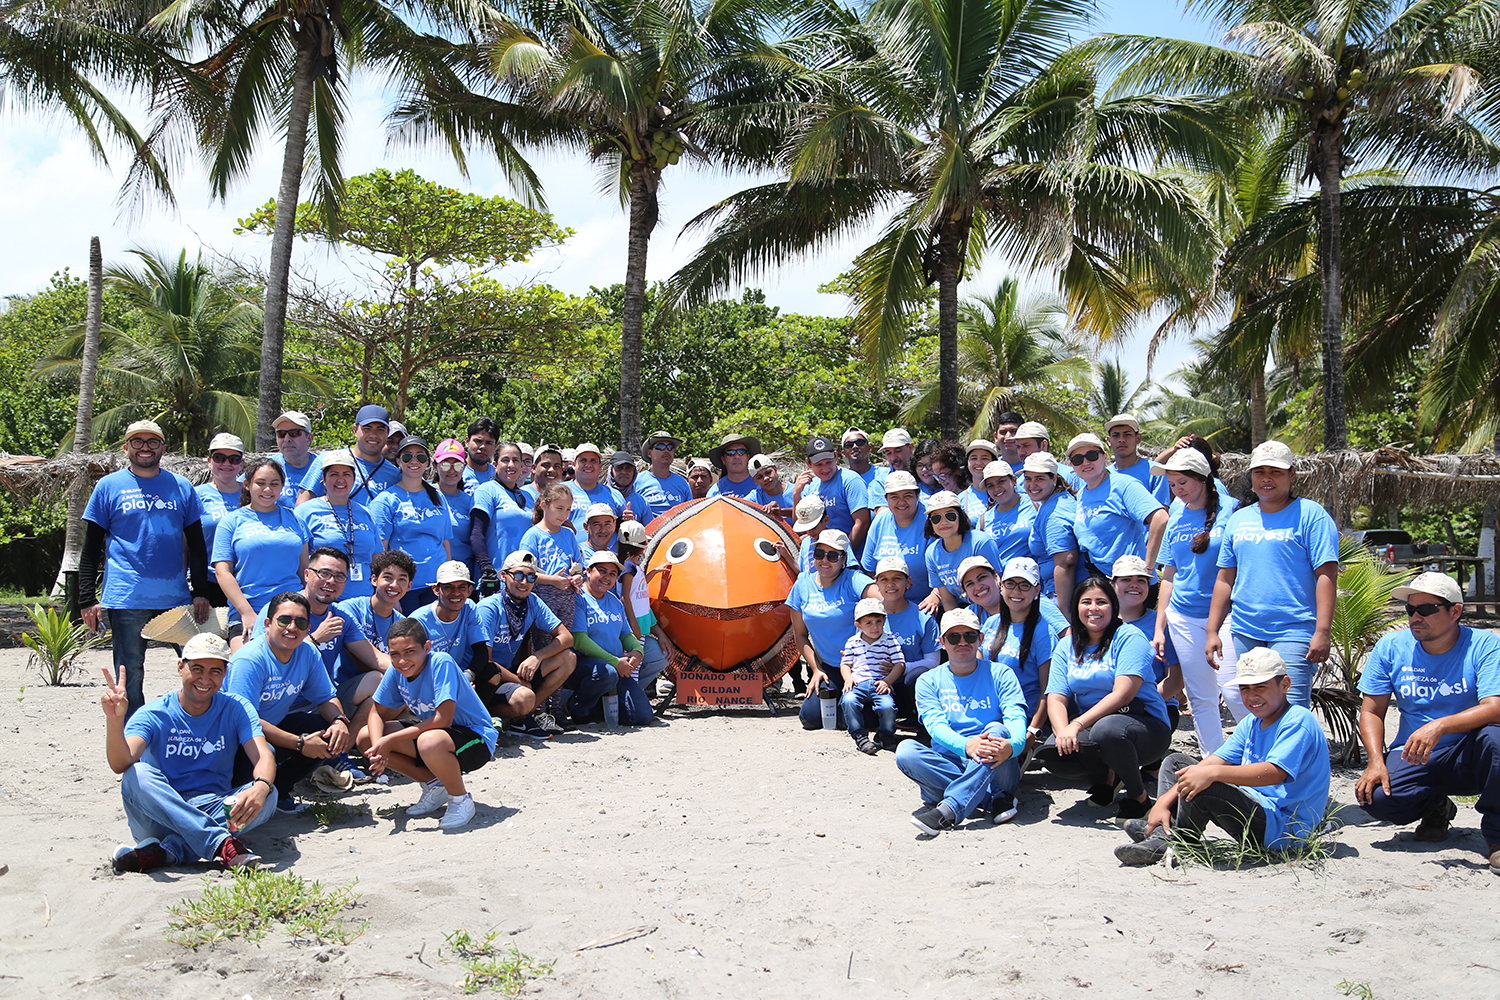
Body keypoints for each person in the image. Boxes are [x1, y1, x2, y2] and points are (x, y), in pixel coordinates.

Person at [1116, 648, 1331, 866]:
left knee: (1208, 781)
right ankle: (1163, 833)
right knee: (1176, 763)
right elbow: (1214, 761)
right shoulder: (1252, 722)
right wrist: (1163, 801)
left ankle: (1172, 841)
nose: (1252, 696)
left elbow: (1275, 773)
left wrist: (1213, 774)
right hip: (1256, 807)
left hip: (1282, 827)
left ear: (1285, 684)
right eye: (1245, 689)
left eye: (1261, 687)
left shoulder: (1297, 721)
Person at [1355, 572, 1500, 871]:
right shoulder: (1391, 647)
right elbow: (1371, 711)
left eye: (1427, 609)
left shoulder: (1484, 645)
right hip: (1415, 753)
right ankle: (1437, 806)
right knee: (1376, 798)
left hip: (1469, 753)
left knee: (1496, 739)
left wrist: (1441, 725)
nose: (1415, 617)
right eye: (1411, 610)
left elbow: (1495, 708)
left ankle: (1497, 839)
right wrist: (1375, 762)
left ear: (1455, 612)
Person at [103, 633, 274, 873]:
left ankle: (167, 853)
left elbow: (263, 755)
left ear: (225, 674)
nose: (205, 679)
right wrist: (115, 720)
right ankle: (221, 844)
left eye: (215, 671)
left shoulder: (236, 708)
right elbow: (121, 763)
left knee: (268, 792)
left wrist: (261, 787)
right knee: (136, 773)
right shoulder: (153, 713)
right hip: (159, 813)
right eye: (197, 669)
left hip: (211, 805)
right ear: (180, 667)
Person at [79, 419, 211, 718]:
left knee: (198, 667)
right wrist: (86, 598)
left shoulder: (181, 486)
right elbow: (90, 549)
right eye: (137, 442)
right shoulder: (108, 486)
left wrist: (200, 592)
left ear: (163, 447)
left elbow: (197, 546)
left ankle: (197, 727)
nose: (145, 448)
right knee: (130, 676)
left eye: (152, 442)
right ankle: (133, 743)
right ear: (126, 447)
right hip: (127, 598)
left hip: (175, 598)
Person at [1206, 440, 1339, 709]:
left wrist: (1323, 631)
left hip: (1295, 630)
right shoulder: (1238, 519)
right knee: (1256, 707)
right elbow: (1224, 580)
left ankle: (1297, 753)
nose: (1267, 478)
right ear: (1251, 477)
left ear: (1292, 474)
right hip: (1246, 630)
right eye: (1260, 472)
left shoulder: (1311, 515)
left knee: (1291, 708)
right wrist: (1212, 630)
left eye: (1275, 471)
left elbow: (1327, 576)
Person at [1035, 576, 1173, 819]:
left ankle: (1138, 798)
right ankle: (1110, 775)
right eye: (1086, 602)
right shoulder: (1066, 645)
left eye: (1102, 602)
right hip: (1096, 725)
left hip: (1145, 727)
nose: (1093, 609)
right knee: (1053, 755)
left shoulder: (1130, 636)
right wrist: (1062, 731)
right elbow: (1056, 696)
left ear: (1114, 606)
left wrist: (1076, 724)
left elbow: (1123, 694)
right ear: (1076, 607)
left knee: (1107, 730)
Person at [898, 608, 1029, 835]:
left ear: (980, 639)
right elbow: (935, 726)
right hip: (952, 760)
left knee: (997, 729)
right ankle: (990, 798)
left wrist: (1013, 746)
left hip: (997, 763)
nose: (962, 642)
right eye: (953, 637)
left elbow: (1016, 717)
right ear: (942, 642)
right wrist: (967, 746)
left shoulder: (1002, 674)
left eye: (969, 636)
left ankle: (950, 809)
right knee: (905, 751)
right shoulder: (928, 681)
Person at [359, 618, 498, 830]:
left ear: (427, 647)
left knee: (428, 741)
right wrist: (379, 748)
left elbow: (444, 719)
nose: (402, 660)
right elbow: (377, 711)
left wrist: (389, 740)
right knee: (366, 737)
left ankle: (460, 799)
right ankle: (435, 785)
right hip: (438, 734)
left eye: (409, 652)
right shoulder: (396, 670)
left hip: (476, 739)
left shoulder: (441, 662)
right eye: (394, 654)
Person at [226, 592, 351, 814]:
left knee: (326, 732)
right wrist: (300, 744)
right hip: (235, 742)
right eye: (284, 620)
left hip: (271, 728)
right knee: (268, 750)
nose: (292, 627)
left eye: (300, 622)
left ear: (308, 628)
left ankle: (281, 791)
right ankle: (245, 791)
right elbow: (245, 722)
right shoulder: (250, 660)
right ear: (267, 623)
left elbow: (325, 697)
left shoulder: (307, 651)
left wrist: (339, 721)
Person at [1153, 447, 1243, 754]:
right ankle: (1213, 763)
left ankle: (1255, 758)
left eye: (1183, 483)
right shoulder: (1176, 515)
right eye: (1173, 485)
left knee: (1234, 691)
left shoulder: (1232, 510)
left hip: (1227, 614)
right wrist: (1159, 627)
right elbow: (1169, 574)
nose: (1178, 491)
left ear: (1203, 479)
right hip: (1183, 616)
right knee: (1201, 697)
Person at [248, 548, 387, 714]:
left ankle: (350, 740)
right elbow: (262, 658)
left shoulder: (341, 617)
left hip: (323, 700)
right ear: (306, 575)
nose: (331, 581)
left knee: (378, 681)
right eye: (324, 573)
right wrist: (315, 639)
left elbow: (375, 658)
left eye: (339, 576)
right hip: (277, 703)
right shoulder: (280, 610)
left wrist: (417, 668)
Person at [964, 556, 1068, 745]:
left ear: (1037, 590)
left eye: (1024, 585)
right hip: (984, 712)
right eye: (1011, 583)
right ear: (1001, 586)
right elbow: (975, 673)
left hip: (1018, 720)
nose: (1016, 591)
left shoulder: (1044, 632)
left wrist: (1032, 732)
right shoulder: (990, 624)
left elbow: (1048, 690)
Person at [475, 550, 577, 738]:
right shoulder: (489, 607)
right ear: (504, 576)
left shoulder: (532, 601)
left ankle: (521, 718)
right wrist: (519, 681)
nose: (525, 582)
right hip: (486, 678)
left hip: (510, 672)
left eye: (531, 577)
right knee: (524, 695)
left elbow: (566, 637)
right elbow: (485, 662)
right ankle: (487, 717)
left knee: (568, 658)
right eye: (519, 575)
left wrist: (537, 657)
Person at [213, 456, 310, 646]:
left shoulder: (296, 520)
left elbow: (304, 570)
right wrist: (247, 613)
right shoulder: (231, 521)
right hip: (249, 609)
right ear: (247, 485)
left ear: (282, 486)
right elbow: (222, 572)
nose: (268, 489)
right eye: (261, 483)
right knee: (243, 668)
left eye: (274, 484)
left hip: (292, 610)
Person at [787, 529, 878, 730]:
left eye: (833, 555)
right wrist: (816, 669)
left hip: (859, 665)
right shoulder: (802, 584)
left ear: (844, 558)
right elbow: (800, 636)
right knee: (810, 719)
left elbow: (886, 602)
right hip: (827, 665)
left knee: (864, 721)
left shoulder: (854, 579)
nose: (825, 560)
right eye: (819, 554)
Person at [567, 551, 654, 725]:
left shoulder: (614, 600)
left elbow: (626, 634)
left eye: (612, 574)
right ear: (589, 571)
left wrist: (637, 650)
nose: (607, 577)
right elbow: (580, 641)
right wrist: (615, 662)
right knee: (608, 673)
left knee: (642, 717)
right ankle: (578, 708)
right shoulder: (578, 598)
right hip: (586, 667)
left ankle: (598, 707)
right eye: (602, 571)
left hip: (615, 666)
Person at [1066, 432, 1167, 581]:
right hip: (1102, 579)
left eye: (1092, 455)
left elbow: (1161, 518)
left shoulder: (1124, 485)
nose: (1085, 462)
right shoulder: (1081, 493)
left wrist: (1147, 566)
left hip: (1129, 581)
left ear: (1105, 456)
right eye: (1078, 459)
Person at [370, 435, 453, 614]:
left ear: (428, 463)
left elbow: (445, 542)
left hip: (436, 584)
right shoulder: (386, 500)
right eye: (408, 456)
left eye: (421, 457)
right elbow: (379, 551)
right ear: (398, 461)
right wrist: (388, 593)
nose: (414, 461)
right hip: (403, 586)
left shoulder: (438, 496)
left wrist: (449, 581)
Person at [331, 549, 413, 717]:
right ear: (374, 580)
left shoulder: (404, 624)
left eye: (402, 580)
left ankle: (362, 741)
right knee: (379, 681)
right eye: (388, 578)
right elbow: (370, 660)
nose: (394, 585)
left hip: (380, 691)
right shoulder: (349, 609)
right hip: (344, 691)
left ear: (409, 586)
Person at [295, 449, 380, 600]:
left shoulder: (365, 513)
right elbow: (296, 561)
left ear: (354, 479)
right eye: (334, 474)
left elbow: (377, 561)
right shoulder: (305, 512)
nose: (340, 479)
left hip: (364, 600)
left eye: (346, 474)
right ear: (323, 478)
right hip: (324, 601)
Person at [1113, 554, 1183, 734]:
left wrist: (1141, 704)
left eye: (1141, 580)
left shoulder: (1161, 625)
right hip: (1109, 707)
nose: (1134, 584)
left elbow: (1175, 679)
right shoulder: (1099, 623)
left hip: (1155, 707)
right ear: (1112, 584)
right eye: (1126, 579)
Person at [871, 556, 941, 732]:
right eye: (884, 579)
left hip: (911, 686)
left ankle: (920, 721)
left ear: (908, 582)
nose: (891, 584)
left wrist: (901, 668)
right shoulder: (869, 615)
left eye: (897, 578)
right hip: (881, 684)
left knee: (917, 675)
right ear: (876, 584)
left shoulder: (923, 616)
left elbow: (933, 661)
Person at [837, 597, 905, 754]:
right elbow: (845, 663)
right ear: (858, 625)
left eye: (878, 621)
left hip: (879, 683)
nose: (875, 627)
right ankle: (859, 735)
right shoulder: (852, 642)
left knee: (888, 706)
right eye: (869, 623)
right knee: (848, 701)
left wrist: (887, 681)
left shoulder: (890, 640)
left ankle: (886, 734)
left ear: (884, 621)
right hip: (858, 682)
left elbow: (899, 664)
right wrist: (848, 678)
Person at [297, 404, 400, 506]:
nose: (373, 435)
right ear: (355, 430)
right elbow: (302, 508)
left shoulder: (395, 475)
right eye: (367, 429)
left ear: (387, 433)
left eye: (380, 430)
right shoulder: (328, 459)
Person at [921, 490, 1000, 615]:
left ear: (960, 516)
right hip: (966, 609)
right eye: (936, 518)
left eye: (950, 516)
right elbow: (948, 600)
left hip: (995, 606)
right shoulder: (931, 553)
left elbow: (999, 585)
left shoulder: (981, 543)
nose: (944, 522)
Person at [618, 520, 674, 694]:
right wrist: (633, 624)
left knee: (636, 663)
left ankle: (632, 697)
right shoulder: (629, 566)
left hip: (641, 623)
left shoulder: (634, 566)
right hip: (636, 625)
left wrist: (653, 572)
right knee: (633, 664)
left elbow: (639, 587)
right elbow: (625, 595)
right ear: (642, 547)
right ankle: (631, 698)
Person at [470, 441, 533, 594]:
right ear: (495, 464)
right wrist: (487, 570)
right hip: (497, 580)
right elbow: (476, 534)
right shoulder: (486, 490)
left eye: (516, 460)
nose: (511, 465)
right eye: (505, 460)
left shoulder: (529, 497)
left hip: (525, 581)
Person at [520, 482, 585, 630]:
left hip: (567, 597)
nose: (564, 514)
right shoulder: (533, 535)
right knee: (544, 644)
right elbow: (524, 572)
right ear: (544, 505)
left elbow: (578, 565)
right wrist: (552, 580)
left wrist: (578, 577)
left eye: (568, 509)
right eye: (559, 508)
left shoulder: (568, 534)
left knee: (564, 641)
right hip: (541, 597)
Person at [794, 435, 872, 557]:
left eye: (828, 462)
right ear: (808, 463)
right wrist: (796, 494)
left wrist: (843, 556)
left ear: (836, 456)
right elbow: (802, 524)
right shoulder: (810, 486)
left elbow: (862, 522)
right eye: (819, 465)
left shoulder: (850, 480)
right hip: (823, 558)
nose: (825, 469)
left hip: (849, 557)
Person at [861, 471, 932, 603]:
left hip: (925, 603)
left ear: (918, 495)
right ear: (886, 499)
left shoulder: (931, 520)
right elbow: (869, 569)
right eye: (894, 497)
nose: (901, 502)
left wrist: (935, 596)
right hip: (889, 603)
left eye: (907, 495)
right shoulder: (880, 521)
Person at [196, 431, 246, 607]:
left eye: (233, 459)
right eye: (219, 457)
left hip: (247, 582)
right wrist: (198, 590)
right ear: (209, 460)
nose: (226, 463)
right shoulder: (196, 496)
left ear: (242, 463)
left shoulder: (254, 495)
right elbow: (186, 545)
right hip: (209, 582)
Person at [409, 561, 487, 673]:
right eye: (448, 587)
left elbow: (481, 650)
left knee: (492, 672)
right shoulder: (418, 621)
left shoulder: (469, 607)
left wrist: (468, 676)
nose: (456, 593)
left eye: (462, 587)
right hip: (428, 678)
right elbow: (413, 665)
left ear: (469, 590)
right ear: (436, 590)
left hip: (459, 674)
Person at [1023, 452, 1078, 600]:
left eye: (1039, 478)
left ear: (1054, 478)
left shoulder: (1053, 513)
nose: (1032, 485)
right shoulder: (1057, 499)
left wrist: (1063, 610)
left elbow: (1066, 562)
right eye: (1028, 478)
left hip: (1061, 594)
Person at [975, 459, 1033, 563]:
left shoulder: (1035, 506)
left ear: (1014, 480)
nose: (996, 488)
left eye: (1001, 481)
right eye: (990, 486)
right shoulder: (984, 520)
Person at [1104, 413, 1169, 504]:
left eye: (1127, 434)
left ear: (1138, 438)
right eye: (1116, 435)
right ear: (1109, 441)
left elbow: (1161, 513)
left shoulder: (1156, 471)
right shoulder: (1103, 476)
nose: (1121, 439)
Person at [435, 439, 476, 578]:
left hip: (465, 574)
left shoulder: (470, 501)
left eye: (457, 465)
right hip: (436, 573)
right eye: (445, 465)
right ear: (435, 466)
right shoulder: (425, 494)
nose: (452, 470)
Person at [567, 443, 626, 536]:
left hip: (608, 550)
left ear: (600, 466)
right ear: (573, 465)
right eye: (583, 460)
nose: (588, 465)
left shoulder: (614, 495)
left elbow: (624, 531)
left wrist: (629, 522)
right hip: (570, 550)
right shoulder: (561, 491)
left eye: (593, 461)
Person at [635, 430, 692, 518]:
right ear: (650, 453)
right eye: (661, 447)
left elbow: (690, 513)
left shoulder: (682, 482)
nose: (666, 450)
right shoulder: (637, 481)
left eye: (670, 447)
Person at [270, 410, 317, 509]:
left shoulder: (321, 467)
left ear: (309, 438)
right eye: (281, 434)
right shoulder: (266, 466)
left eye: (294, 433)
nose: (287, 439)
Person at [839, 428, 887, 509]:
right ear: (843, 453)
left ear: (869, 448)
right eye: (849, 445)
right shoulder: (839, 480)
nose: (854, 446)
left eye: (860, 443)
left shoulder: (886, 474)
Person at [705, 432, 761, 498]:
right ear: (723, 460)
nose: (737, 456)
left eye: (741, 452)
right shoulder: (715, 492)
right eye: (730, 452)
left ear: (748, 457)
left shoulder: (763, 484)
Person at [788, 495, 828, 576]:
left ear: (826, 520)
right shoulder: (806, 542)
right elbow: (801, 571)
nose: (810, 532)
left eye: (813, 527)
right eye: (806, 528)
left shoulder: (838, 539)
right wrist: (785, 554)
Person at [959, 439, 999, 520]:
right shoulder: (960, 499)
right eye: (973, 458)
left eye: (984, 458)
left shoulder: (1007, 492)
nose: (978, 463)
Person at [609, 450, 651, 523]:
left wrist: (633, 525)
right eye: (619, 468)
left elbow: (650, 530)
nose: (624, 472)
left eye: (628, 468)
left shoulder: (642, 502)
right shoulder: (602, 496)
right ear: (611, 471)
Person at [577, 502, 620, 570]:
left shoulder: (614, 558)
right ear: (586, 527)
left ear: (614, 526)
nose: (603, 530)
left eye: (607, 524)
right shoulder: (576, 554)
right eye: (597, 524)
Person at [461, 417, 500, 488]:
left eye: (489, 443)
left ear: (495, 446)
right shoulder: (455, 475)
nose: (483, 447)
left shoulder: (499, 476)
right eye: (478, 441)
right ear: (467, 442)